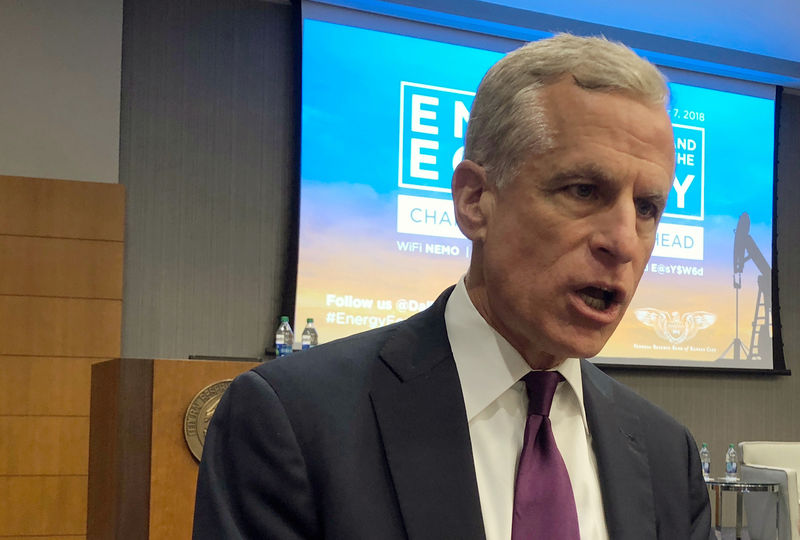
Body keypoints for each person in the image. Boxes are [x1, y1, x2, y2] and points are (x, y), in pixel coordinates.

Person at [193, 33, 712, 539]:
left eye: (647, 208)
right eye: (583, 189)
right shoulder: (293, 420)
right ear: (474, 200)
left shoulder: (668, 455)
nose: (623, 242)